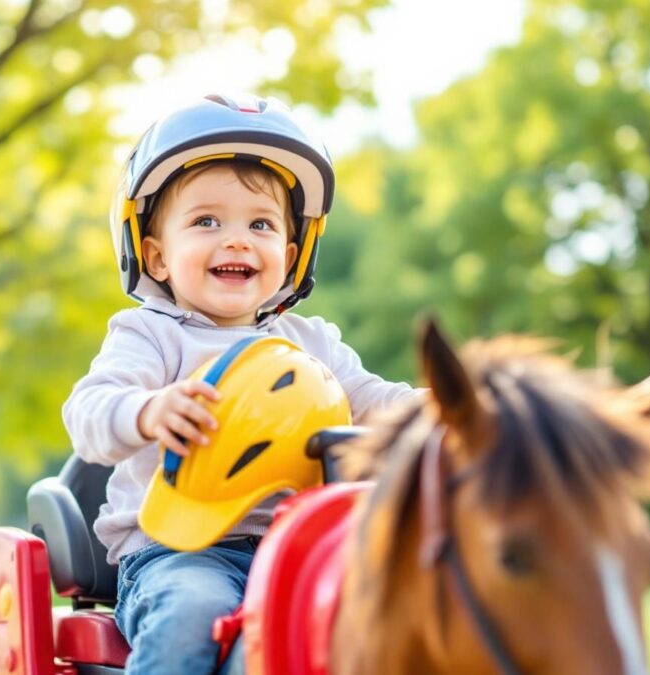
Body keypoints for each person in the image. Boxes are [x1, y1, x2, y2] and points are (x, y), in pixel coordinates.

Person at [63, 93, 418, 675]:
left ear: (291, 252)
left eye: (261, 224)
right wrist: (148, 411)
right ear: (155, 255)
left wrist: (446, 410)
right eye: (206, 221)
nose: (236, 239)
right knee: (190, 616)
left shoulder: (312, 341)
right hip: (179, 552)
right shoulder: (150, 335)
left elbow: (376, 403)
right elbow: (89, 411)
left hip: (307, 548)